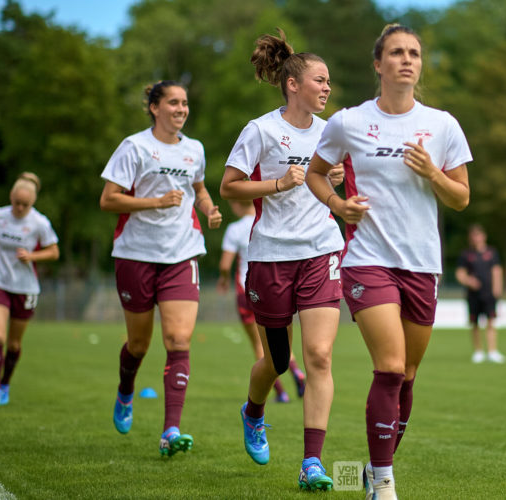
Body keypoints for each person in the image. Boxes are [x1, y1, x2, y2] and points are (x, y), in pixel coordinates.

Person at [306, 24, 472, 500]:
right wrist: (339, 207)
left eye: (414, 53)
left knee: (409, 377)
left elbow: (460, 198)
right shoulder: (348, 122)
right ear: (378, 64)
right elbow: (318, 175)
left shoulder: (443, 124)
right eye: (396, 52)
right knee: (391, 367)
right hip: (366, 259)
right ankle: (382, 484)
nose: (407, 60)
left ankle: (370, 470)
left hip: (422, 264)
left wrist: (433, 172)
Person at [218, 30, 344, 491]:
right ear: (294, 84)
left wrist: (335, 181)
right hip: (270, 254)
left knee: (320, 356)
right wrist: (277, 184)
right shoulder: (261, 130)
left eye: (329, 81)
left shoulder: (333, 132)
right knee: (276, 358)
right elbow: (228, 187)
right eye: (320, 80)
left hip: (321, 250)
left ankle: (312, 461)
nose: (327, 88)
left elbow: (335, 186)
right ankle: (253, 412)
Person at [99, 80, 222, 457]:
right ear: (154, 107)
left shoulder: (195, 149)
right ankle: (125, 390)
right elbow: (108, 200)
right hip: (136, 254)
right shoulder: (134, 147)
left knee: (179, 340)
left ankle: (171, 430)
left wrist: (209, 208)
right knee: (138, 344)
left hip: (182, 253)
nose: (181, 109)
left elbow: (197, 189)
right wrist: (155, 202)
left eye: (185, 103)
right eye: (173, 103)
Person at [0, 172, 59, 408]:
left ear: (33, 202)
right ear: (11, 197)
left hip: (25, 288)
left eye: (25, 204)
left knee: (14, 345)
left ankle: (5, 383)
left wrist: (32, 255)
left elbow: (54, 252)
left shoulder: (39, 222)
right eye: (17, 202)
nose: (20, 208)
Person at [216, 199, 307, 403]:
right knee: (281, 342)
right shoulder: (267, 220)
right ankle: (298, 373)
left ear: (236, 204)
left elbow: (224, 264)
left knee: (261, 345)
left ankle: (281, 393)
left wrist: (223, 279)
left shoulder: (235, 229)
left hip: (247, 290)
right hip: (274, 286)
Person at [455, 224, 505, 363]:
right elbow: (460, 273)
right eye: (473, 236)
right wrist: (468, 281)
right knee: (475, 323)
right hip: (473, 295)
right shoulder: (466, 255)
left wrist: (497, 288)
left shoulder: (492, 253)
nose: (476, 238)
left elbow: (497, 271)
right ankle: (478, 352)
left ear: (484, 236)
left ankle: (492, 351)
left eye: (478, 235)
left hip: (489, 294)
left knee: (491, 322)